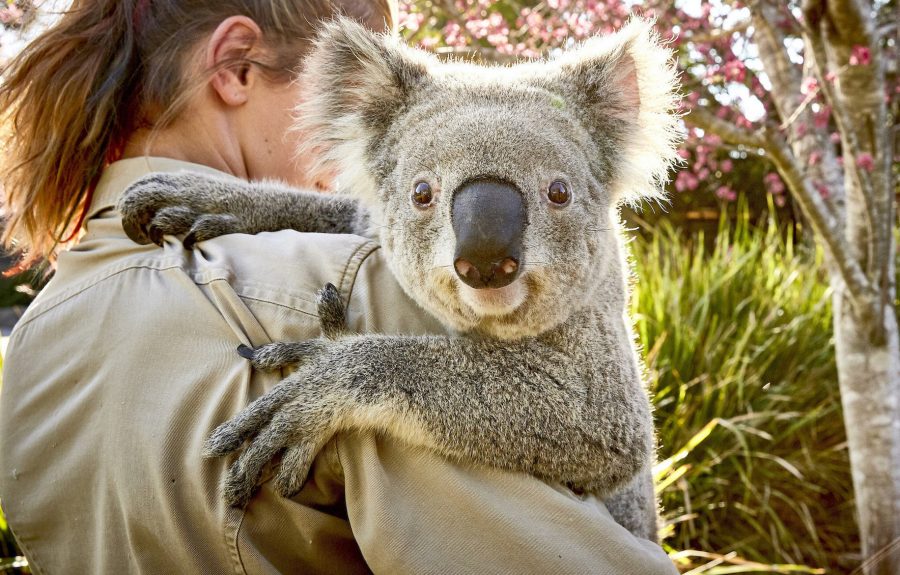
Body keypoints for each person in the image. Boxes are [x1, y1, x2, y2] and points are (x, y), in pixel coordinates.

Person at [0, 1, 677, 573]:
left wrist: (265, 208)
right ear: (237, 67)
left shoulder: (37, 344)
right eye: (344, 103)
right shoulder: (366, 299)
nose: (346, 156)